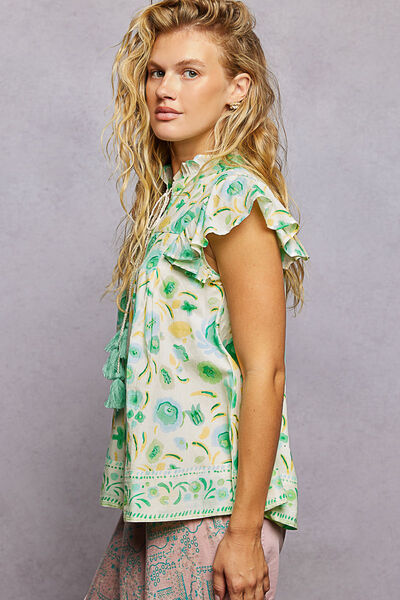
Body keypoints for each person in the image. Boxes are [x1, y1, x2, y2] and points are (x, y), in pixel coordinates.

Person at [85, 1, 310, 599]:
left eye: (190, 72)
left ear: (238, 89)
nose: (165, 89)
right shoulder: (172, 200)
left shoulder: (233, 198)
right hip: (157, 499)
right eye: (157, 72)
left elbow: (266, 370)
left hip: (217, 507)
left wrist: (244, 533)